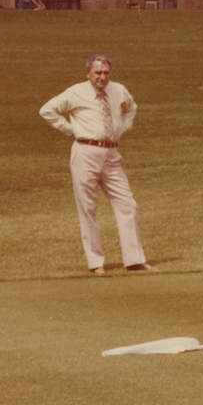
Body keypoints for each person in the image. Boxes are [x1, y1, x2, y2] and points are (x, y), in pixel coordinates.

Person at [40, 55, 151, 275]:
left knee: (127, 204)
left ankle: (135, 261)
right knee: (88, 208)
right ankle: (96, 263)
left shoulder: (118, 90)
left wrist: (122, 128)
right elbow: (47, 110)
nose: (102, 77)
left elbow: (131, 108)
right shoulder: (75, 92)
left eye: (106, 72)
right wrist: (71, 130)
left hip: (111, 154)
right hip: (85, 152)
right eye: (98, 72)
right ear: (88, 73)